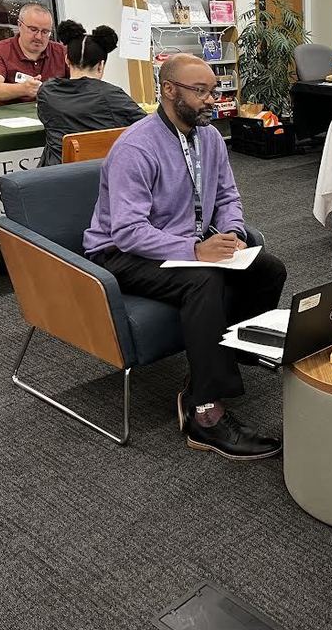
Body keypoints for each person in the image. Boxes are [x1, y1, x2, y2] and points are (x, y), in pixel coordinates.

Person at [83, 53, 287, 460]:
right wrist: (194, 251)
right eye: (201, 91)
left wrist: (231, 232)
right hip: (121, 253)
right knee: (205, 280)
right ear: (169, 91)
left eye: (215, 90)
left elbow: (228, 195)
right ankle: (204, 414)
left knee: (268, 268)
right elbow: (126, 231)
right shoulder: (136, 148)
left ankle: (231, 351)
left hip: (185, 243)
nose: (213, 99)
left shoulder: (209, 137)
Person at [36, 20, 146, 166]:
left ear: (67, 60)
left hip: (54, 177)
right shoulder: (112, 96)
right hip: (102, 178)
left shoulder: (46, 92)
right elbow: (149, 128)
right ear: (100, 65)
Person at [0, 2, 67, 102]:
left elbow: (84, 81)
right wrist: (23, 89)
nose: (39, 37)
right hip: (13, 115)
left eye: (45, 32)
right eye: (33, 29)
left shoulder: (62, 52)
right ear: (19, 25)